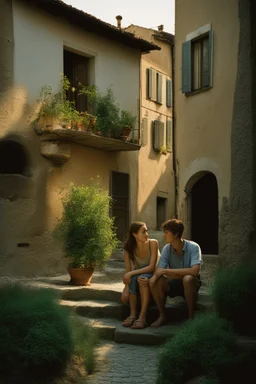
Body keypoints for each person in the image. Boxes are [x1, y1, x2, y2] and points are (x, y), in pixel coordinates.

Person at [149, 219, 202, 326]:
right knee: (157, 280)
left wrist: (167, 271)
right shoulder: (166, 249)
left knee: (188, 278)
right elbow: (159, 270)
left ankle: (191, 317)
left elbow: (195, 271)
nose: (164, 235)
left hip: (191, 283)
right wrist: (155, 278)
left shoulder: (193, 247)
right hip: (174, 283)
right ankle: (162, 316)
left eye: (166, 233)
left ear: (176, 234)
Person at [121, 222, 159, 329]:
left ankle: (142, 317)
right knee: (134, 278)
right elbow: (128, 271)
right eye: (143, 231)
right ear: (135, 234)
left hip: (153, 273)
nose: (146, 234)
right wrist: (126, 288)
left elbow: (151, 267)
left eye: (146, 231)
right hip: (138, 273)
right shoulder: (128, 248)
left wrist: (131, 273)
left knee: (141, 279)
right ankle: (132, 315)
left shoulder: (153, 243)